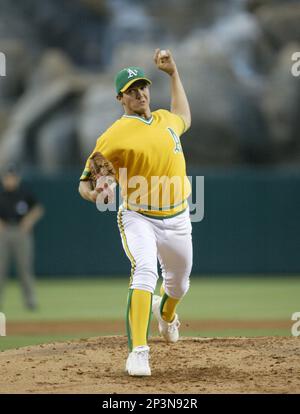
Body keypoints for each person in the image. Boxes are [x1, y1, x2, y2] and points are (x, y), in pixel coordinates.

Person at [79, 49, 192, 376]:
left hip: (179, 217)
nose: (140, 93)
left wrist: (173, 73)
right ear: (121, 98)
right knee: (144, 270)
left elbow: (183, 114)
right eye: (132, 89)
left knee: (179, 285)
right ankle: (138, 352)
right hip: (138, 215)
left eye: (142, 86)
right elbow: (84, 183)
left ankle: (167, 315)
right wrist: (94, 193)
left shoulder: (165, 120)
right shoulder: (113, 136)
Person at [0, 164, 44, 310]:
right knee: (1, 269)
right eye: (7, 178)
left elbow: (38, 208)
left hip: (21, 232)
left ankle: (30, 301)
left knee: (24, 268)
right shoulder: (2, 195)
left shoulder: (24, 194)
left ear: (17, 179)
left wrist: (28, 221)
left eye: (12, 178)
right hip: (4, 233)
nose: (10, 180)